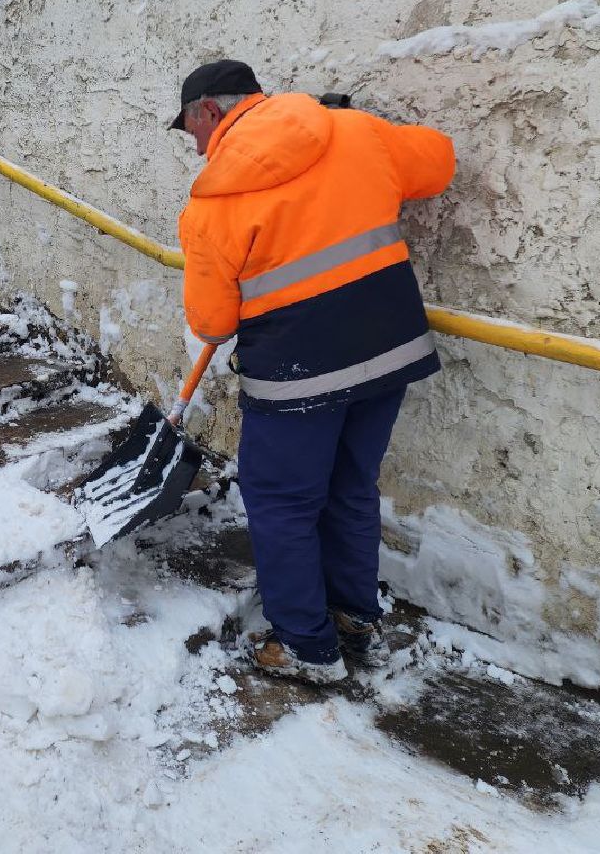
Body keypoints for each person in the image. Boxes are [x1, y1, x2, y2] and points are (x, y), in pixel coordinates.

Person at [171, 59, 455, 684]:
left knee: (281, 502)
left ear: (210, 111)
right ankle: (354, 617)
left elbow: (212, 323)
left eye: (191, 131)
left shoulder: (212, 204)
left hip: (297, 372)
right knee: (351, 485)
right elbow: (437, 162)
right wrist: (359, 130)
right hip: (388, 348)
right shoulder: (353, 131)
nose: (196, 148)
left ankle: (305, 644)